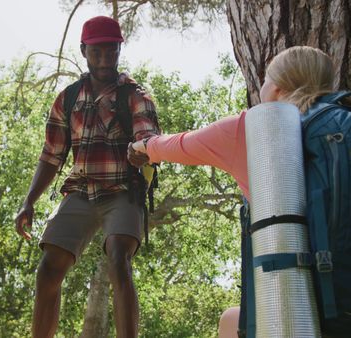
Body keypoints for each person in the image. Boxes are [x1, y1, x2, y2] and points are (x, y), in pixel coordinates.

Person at [128, 45, 336, 337]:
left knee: (230, 322)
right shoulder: (350, 132)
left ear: (276, 88)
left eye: (265, 80)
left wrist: (142, 148)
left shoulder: (250, 131)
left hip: (293, 299)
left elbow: (181, 145)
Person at [15, 16, 159, 338]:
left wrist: (143, 151)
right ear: (84, 51)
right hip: (80, 191)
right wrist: (28, 202)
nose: (105, 59)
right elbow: (52, 155)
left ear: (119, 49)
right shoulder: (67, 99)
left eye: (111, 51)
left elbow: (148, 140)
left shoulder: (136, 96)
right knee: (48, 269)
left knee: (118, 259)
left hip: (123, 189)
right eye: (98, 52)